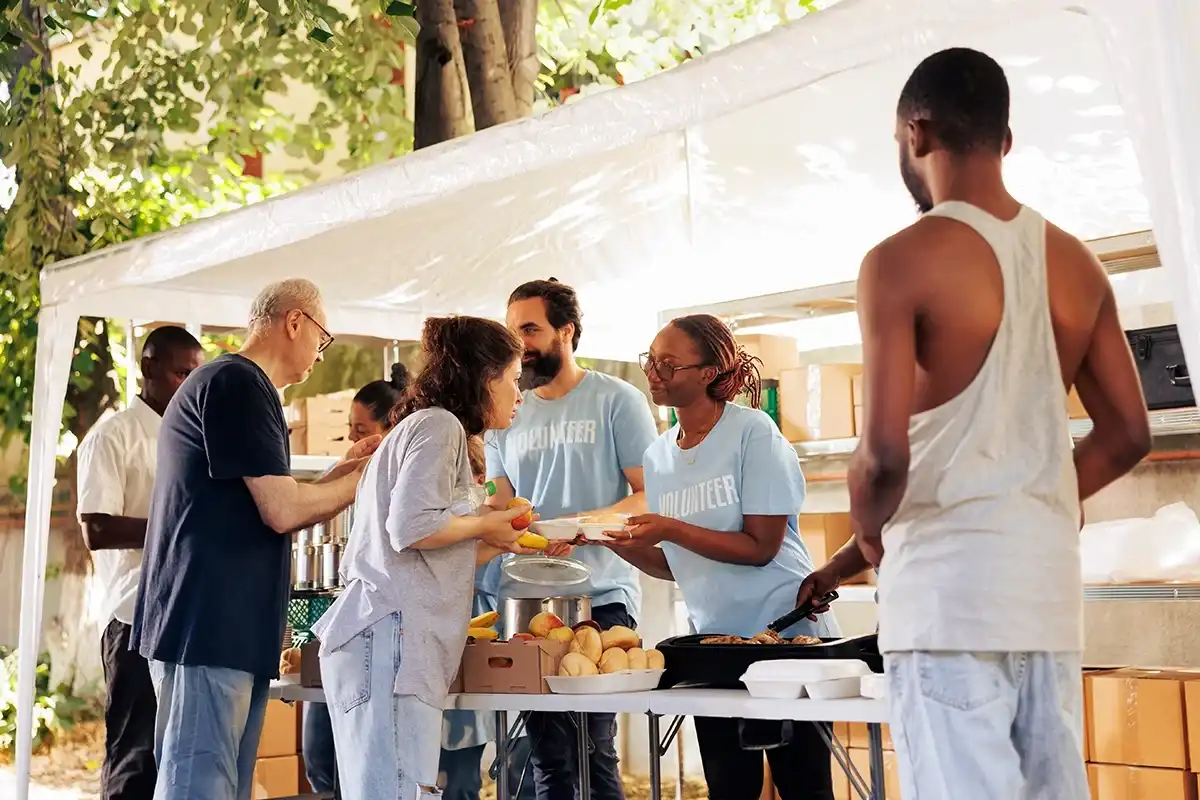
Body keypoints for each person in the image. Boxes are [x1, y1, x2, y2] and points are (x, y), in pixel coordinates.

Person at [844, 48, 1152, 800]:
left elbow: (882, 456)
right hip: (1045, 602)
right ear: (1004, 140)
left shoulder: (899, 262)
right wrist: (1040, 486)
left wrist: (867, 531)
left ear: (916, 133)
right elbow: (1128, 434)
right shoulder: (1078, 264)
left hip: (946, 602)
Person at [132, 279, 380, 800]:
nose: (319, 354)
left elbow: (266, 496)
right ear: (295, 322)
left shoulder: (235, 384)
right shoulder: (238, 383)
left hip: (223, 625)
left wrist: (344, 471)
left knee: (221, 784)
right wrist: (366, 481)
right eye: (322, 338)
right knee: (199, 784)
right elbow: (282, 509)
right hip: (207, 624)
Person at [610, 314, 838, 800]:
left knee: (805, 788)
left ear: (709, 373)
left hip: (787, 638)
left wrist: (669, 526)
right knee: (728, 789)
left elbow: (761, 548)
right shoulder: (658, 456)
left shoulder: (752, 432)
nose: (654, 372)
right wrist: (619, 544)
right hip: (713, 650)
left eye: (668, 364)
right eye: (650, 360)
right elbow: (677, 565)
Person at [312, 315, 537, 800]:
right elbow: (410, 529)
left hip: (385, 641)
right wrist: (484, 524)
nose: (520, 394)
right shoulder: (440, 426)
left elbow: (424, 552)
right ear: (485, 377)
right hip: (389, 642)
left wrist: (493, 540)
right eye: (515, 380)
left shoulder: (430, 426)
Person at [484, 278, 659, 800]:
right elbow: (500, 498)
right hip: (523, 601)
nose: (520, 343)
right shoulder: (504, 413)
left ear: (568, 330)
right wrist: (506, 518)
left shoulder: (618, 401)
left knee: (593, 748)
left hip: (602, 596)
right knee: (548, 758)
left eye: (531, 328)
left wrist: (587, 525)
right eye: (514, 331)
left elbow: (650, 494)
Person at [77, 326, 204, 800]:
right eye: (180, 373)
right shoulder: (112, 436)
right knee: (134, 759)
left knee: (175, 758)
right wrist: (179, 526)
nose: (188, 386)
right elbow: (96, 528)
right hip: (134, 617)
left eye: (196, 376)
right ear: (147, 368)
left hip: (188, 619)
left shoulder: (194, 436)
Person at [302, 362, 411, 795]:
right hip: (347, 628)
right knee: (323, 760)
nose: (352, 440)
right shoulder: (356, 474)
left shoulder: (409, 483)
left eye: (360, 428)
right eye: (349, 429)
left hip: (385, 634)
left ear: (393, 427)